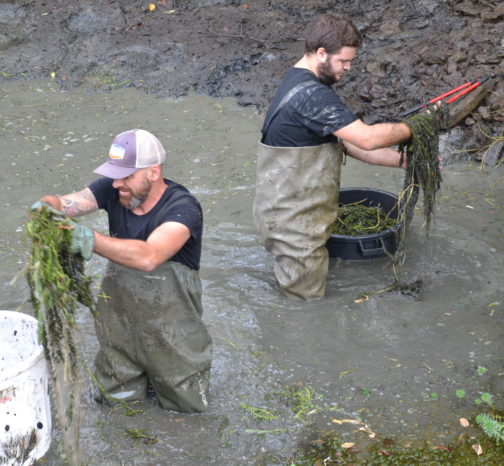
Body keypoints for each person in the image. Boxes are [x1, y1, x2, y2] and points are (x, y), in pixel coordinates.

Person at [33, 129, 212, 413]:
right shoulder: (113, 189)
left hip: (173, 330)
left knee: (185, 409)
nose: (117, 183)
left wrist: (90, 239)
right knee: (114, 405)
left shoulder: (183, 209)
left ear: (153, 172)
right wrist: (47, 206)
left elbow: (150, 257)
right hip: (121, 323)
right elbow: (66, 203)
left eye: (126, 176)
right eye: (114, 175)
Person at [253, 12, 429, 300]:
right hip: (293, 227)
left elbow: (349, 144)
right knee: (305, 307)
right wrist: (415, 127)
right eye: (343, 61)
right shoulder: (311, 96)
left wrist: (405, 161)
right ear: (321, 53)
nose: (348, 68)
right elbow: (367, 138)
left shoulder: (299, 82)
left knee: (292, 287)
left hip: (284, 214)